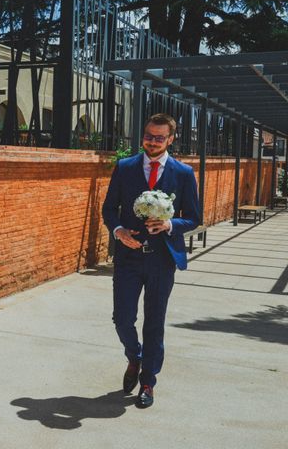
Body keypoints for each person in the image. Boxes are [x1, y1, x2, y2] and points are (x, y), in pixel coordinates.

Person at [102, 113, 200, 409]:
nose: (152, 142)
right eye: (149, 136)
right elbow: (109, 210)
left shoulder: (183, 173)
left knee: (154, 323)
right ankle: (135, 356)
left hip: (161, 259)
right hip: (128, 257)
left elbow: (194, 217)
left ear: (171, 139)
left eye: (159, 137)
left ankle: (148, 382)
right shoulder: (125, 167)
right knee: (122, 319)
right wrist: (119, 231)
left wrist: (170, 225)